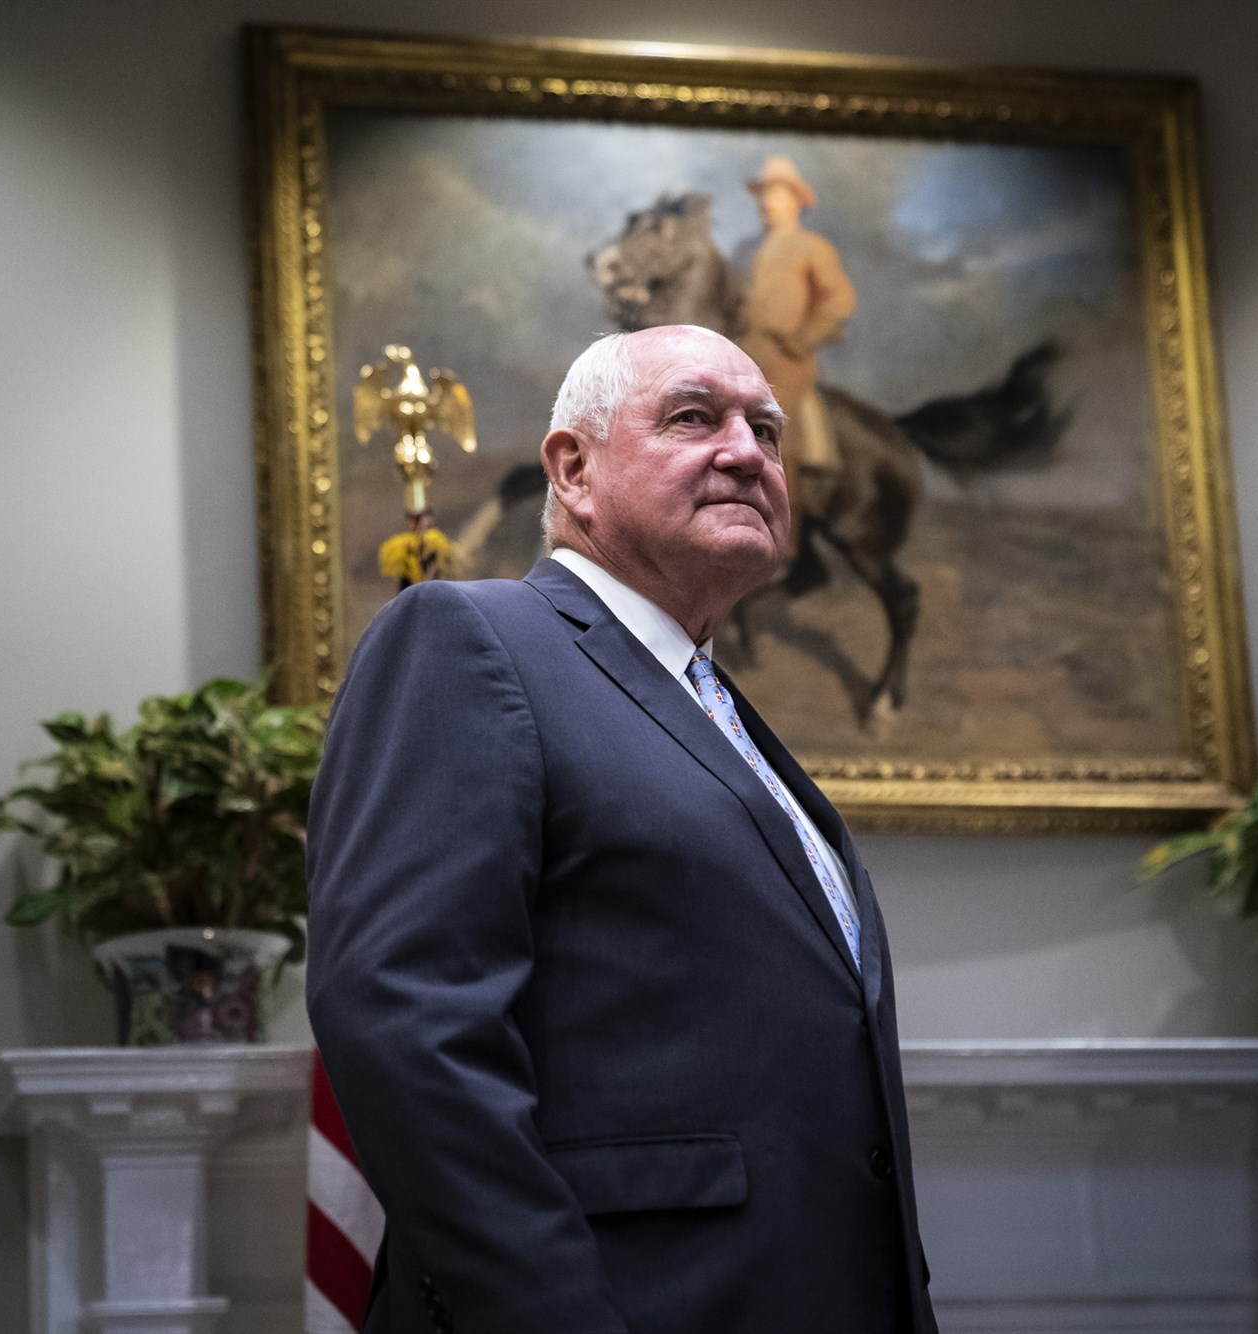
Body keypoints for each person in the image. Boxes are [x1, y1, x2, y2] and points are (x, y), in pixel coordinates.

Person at [306, 324, 934, 1334]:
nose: (745, 451)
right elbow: (406, 1019)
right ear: (573, 468)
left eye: (766, 432)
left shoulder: (716, 711)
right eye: (694, 416)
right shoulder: (471, 639)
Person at [736, 155, 857, 534]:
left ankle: (781, 533)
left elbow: (840, 299)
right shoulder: (750, 251)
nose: (767, 203)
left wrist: (802, 337)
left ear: (795, 200)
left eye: (776, 195)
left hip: (788, 357)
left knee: (773, 424)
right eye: (764, 196)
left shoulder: (811, 247)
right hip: (745, 351)